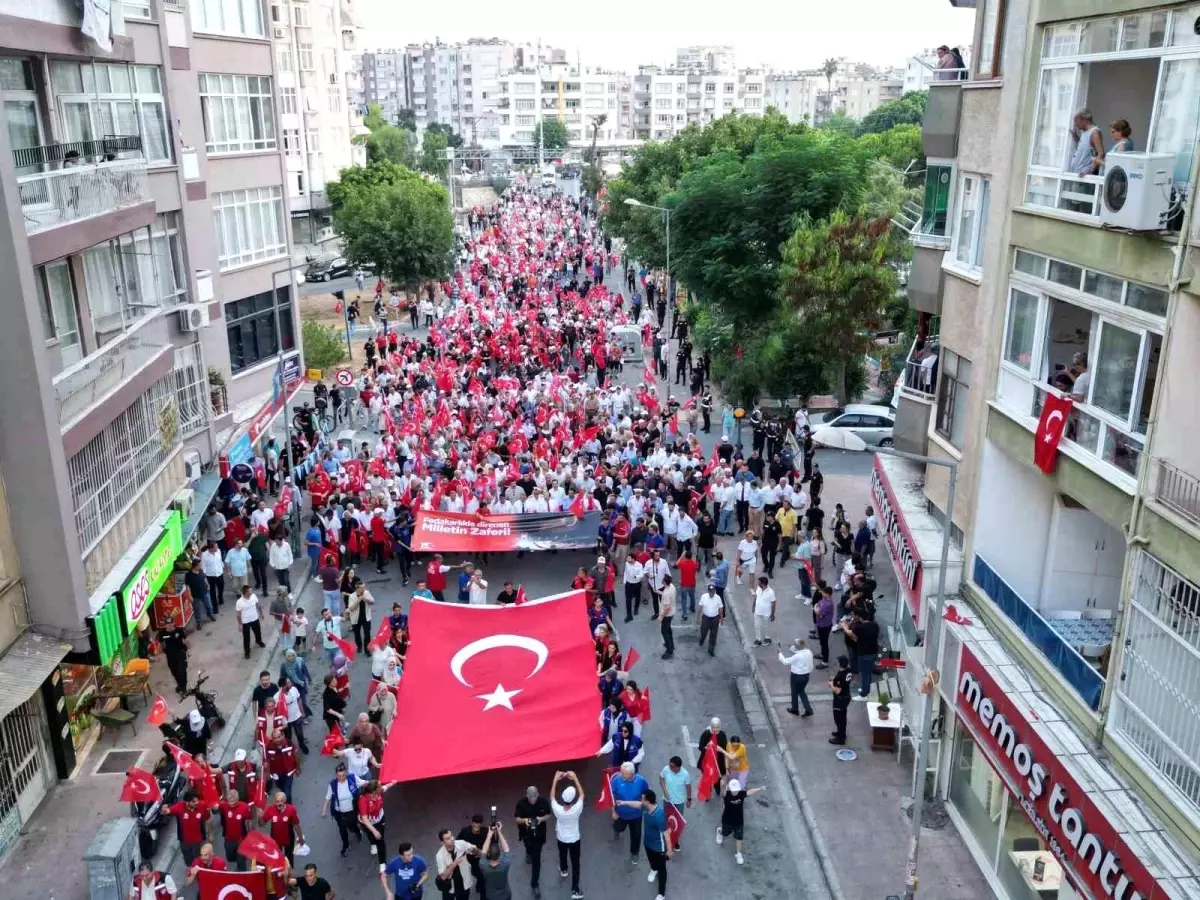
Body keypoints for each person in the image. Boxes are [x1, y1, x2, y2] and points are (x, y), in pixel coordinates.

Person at [613, 789, 670, 900]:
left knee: (662, 869)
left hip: (659, 847)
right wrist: (623, 803)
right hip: (647, 843)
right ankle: (654, 869)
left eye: (642, 799)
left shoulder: (659, 815)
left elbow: (666, 833)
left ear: (648, 801)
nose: (640, 800)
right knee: (652, 861)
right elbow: (637, 804)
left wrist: (670, 850)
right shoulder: (645, 807)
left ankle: (661, 893)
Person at [715, 779, 766, 866]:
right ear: (730, 789)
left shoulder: (741, 794)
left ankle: (738, 854)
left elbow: (750, 792)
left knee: (739, 838)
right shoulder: (726, 794)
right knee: (725, 833)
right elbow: (722, 793)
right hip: (727, 820)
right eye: (734, 790)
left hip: (739, 821)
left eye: (737, 790)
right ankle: (719, 831)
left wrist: (760, 788)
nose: (735, 792)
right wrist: (721, 785)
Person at [550, 771, 584, 900]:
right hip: (574, 839)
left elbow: (552, 796)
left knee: (562, 854)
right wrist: (575, 778)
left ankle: (564, 870)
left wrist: (555, 780)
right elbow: (582, 794)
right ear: (572, 799)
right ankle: (575, 889)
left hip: (561, 838)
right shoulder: (577, 808)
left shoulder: (558, 809)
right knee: (576, 864)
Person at [514, 785, 552, 899]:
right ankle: (528, 853)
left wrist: (541, 819)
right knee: (528, 848)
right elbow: (517, 819)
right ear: (527, 796)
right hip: (526, 834)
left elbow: (548, 815)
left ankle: (534, 884)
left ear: (537, 795)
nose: (532, 800)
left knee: (537, 860)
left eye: (534, 798)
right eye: (530, 798)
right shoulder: (521, 803)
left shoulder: (543, 802)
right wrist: (525, 820)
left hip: (539, 835)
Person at [609, 762, 650, 865]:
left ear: (631, 774)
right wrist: (613, 811)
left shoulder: (641, 781)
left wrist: (644, 805)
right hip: (621, 814)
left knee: (636, 836)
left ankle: (634, 853)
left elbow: (646, 794)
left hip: (636, 815)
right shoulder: (616, 780)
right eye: (621, 772)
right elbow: (612, 796)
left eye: (623, 773)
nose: (620, 774)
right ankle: (617, 831)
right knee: (618, 827)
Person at [165, 792, 211, 865]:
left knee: (199, 859)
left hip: (198, 841)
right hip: (184, 842)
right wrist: (163, 809)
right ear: (187, 802)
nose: (197, 803)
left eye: (197, 800)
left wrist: (210, 834)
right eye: (194, 801)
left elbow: (208, 818)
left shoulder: (202, 805)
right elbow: (167, 811)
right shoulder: (180, 806)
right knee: (188, 860)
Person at [658, 757, 692, 849]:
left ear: (678, 767)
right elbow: (661, 779)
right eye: (669, 765)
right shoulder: (666, 769)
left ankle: (675, 840)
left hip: (679, 802)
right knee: (666, 819)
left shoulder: (685, 774)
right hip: (667, 801)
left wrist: (689, 799)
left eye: (672, 766)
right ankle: (666, 837)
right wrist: (665, 791)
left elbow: (688, 786)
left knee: (678, 823)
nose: (669, 767)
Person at [264, 791, 305, 865]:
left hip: (288, 839)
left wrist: (300, 838)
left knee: (289, 860)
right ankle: (278, 875)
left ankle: (289, 875)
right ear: (275, 802)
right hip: (275, 840)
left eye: (281, 801)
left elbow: (296, 825)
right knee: (276, 859)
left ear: (285, 801)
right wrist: (260, 816)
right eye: (277, 801)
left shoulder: (291, 809)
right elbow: (261, 823)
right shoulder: (270, 809)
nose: (279, 803)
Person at [848, 609, 881, 699]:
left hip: (864, 654)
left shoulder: (860, 628)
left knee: (864, 674)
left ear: (860, 618)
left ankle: (864, 693)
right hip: (874, 652)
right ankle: (867, 689)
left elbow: (852, 635)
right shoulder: (875, 625)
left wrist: (844, 627)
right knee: (869, 672)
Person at [436, 828, 477, 900]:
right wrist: (454, 863)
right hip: (450, 886)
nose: (452, 839)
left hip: (464, 881)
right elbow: (443, 877)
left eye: (451, 836)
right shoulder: (439, 856)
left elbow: (474, 849)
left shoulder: (461, 843)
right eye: (448, 838)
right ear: (442, 843)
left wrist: (474, 850)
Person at [216, 788, 252, 870]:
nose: (230, 803)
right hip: (228, 838)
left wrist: (250, 835)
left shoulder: (245, 807)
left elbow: (249, 821)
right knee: (230, 857)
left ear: (237, 799)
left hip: (241, 839)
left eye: (232, 801)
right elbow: (216, 808)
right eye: (229, 801)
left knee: (241, 859)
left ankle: (242, 873)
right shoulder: (224, 805)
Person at [358, 780, 394, 859]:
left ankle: (379, 843)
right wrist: (374, 831)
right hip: (368, 823)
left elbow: (386, 787)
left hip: (380, 819)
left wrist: (393, 783)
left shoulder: (379, 792)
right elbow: (365, 819)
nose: (382, 787)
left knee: (380, 835)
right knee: (371, 835)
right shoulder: (363, 800)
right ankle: (373, 844)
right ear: (374, 791)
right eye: (380, 786)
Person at [779, 638, 815, 717]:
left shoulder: (797, 656)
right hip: (806, 676)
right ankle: (804, 709)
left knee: (795, 692)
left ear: (797, 646)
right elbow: (798, 650)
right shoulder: (808, 652)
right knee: (800, 691)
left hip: (796, 676)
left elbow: (785, 661)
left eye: (794, 644)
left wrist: (780, 653)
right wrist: (791, 648)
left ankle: (798, 709)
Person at [478, 823, 512, 900]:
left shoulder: (483, 865)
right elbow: (506, 848)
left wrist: (489, 834)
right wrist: (499, 831)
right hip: (505, 896)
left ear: (489, 854)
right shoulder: (505, 864)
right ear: (499, 854)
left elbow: (484, 851)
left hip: (491, 896)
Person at [1069, 108, 1104, 177]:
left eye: (1076, 121)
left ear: (1083, 120)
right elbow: (1085, 146)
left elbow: (1101, 153)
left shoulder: (1094, 132)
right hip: (1078, 174)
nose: (1075, 124)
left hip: (1085, 176)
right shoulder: (1085, 132)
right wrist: (1075, 136)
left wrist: (1090, 171)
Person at [160, 616, 189, 695]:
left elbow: (186, 640)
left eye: (171, 623)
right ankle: (180, 685)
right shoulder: (162, 634)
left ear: (173, 623)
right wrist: (163, 650)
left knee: (182, 671)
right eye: (167, 624)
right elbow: (162, 645)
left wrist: (188, 651)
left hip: (180, 653)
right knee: (175, 673)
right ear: (165, 625)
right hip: (170, 656)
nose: (169, 625)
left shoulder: (179, 630)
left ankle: (184, 689)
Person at [235, 585, 266, 659]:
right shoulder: (239, 602)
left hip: (255, 618)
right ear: (246, 592)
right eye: (250, 591)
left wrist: (261, 613)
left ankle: (259, 641)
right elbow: (238, 614)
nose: (252, 592)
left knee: (258, 632)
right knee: (246, 637)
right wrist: (240, 624)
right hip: (245, 622)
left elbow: (258, 605)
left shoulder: (254, 596)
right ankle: (247, 651)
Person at [830, 655, 853, 745]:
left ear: (840, 664)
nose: (837, 663)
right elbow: (843, 682)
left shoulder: (840, 676)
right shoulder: (848, 671)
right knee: (843, 716)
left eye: (838, 662)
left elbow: (837, 691)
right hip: (846, 696)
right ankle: (841, 733)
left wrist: (831, 684)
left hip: (840, 700)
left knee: (838, 718)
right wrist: (834, 679)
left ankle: (840, 738)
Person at [696, 583, 724, 657]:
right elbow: (700, 607)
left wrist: (721, 618)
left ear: (715, 591)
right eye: (710, 591)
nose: (712, 593)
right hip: (705, 618)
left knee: (713, 634)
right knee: (703, 631)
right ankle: (702, 639)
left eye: (713, 591)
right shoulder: (704, 597)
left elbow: (721, 609)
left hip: (715, 619)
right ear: (708, 591)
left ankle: (711, 649)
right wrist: (698, 617)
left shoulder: (718, 598)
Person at [752, 575, 776, 646]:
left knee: (766, 626)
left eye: (759, 582)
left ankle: (767, 638)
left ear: (762, 583)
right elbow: (756, 597)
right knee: (757, 625)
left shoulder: (771, 592)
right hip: (757, 611)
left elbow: (773, 603)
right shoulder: (758, 588)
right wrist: (753, 606)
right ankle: (758, 639)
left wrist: (772, 614)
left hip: (766, 613)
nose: (757, 583)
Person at [658, 574, 676, 660]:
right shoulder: (671, 586)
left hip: (667, 615)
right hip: (672, 612)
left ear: (664, 582)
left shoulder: (666, 593)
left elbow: (667, 607)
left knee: (664, 632)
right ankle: (671, 644)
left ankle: (669, 650)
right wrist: (658, 591)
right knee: (668, 629)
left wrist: (661, 616)